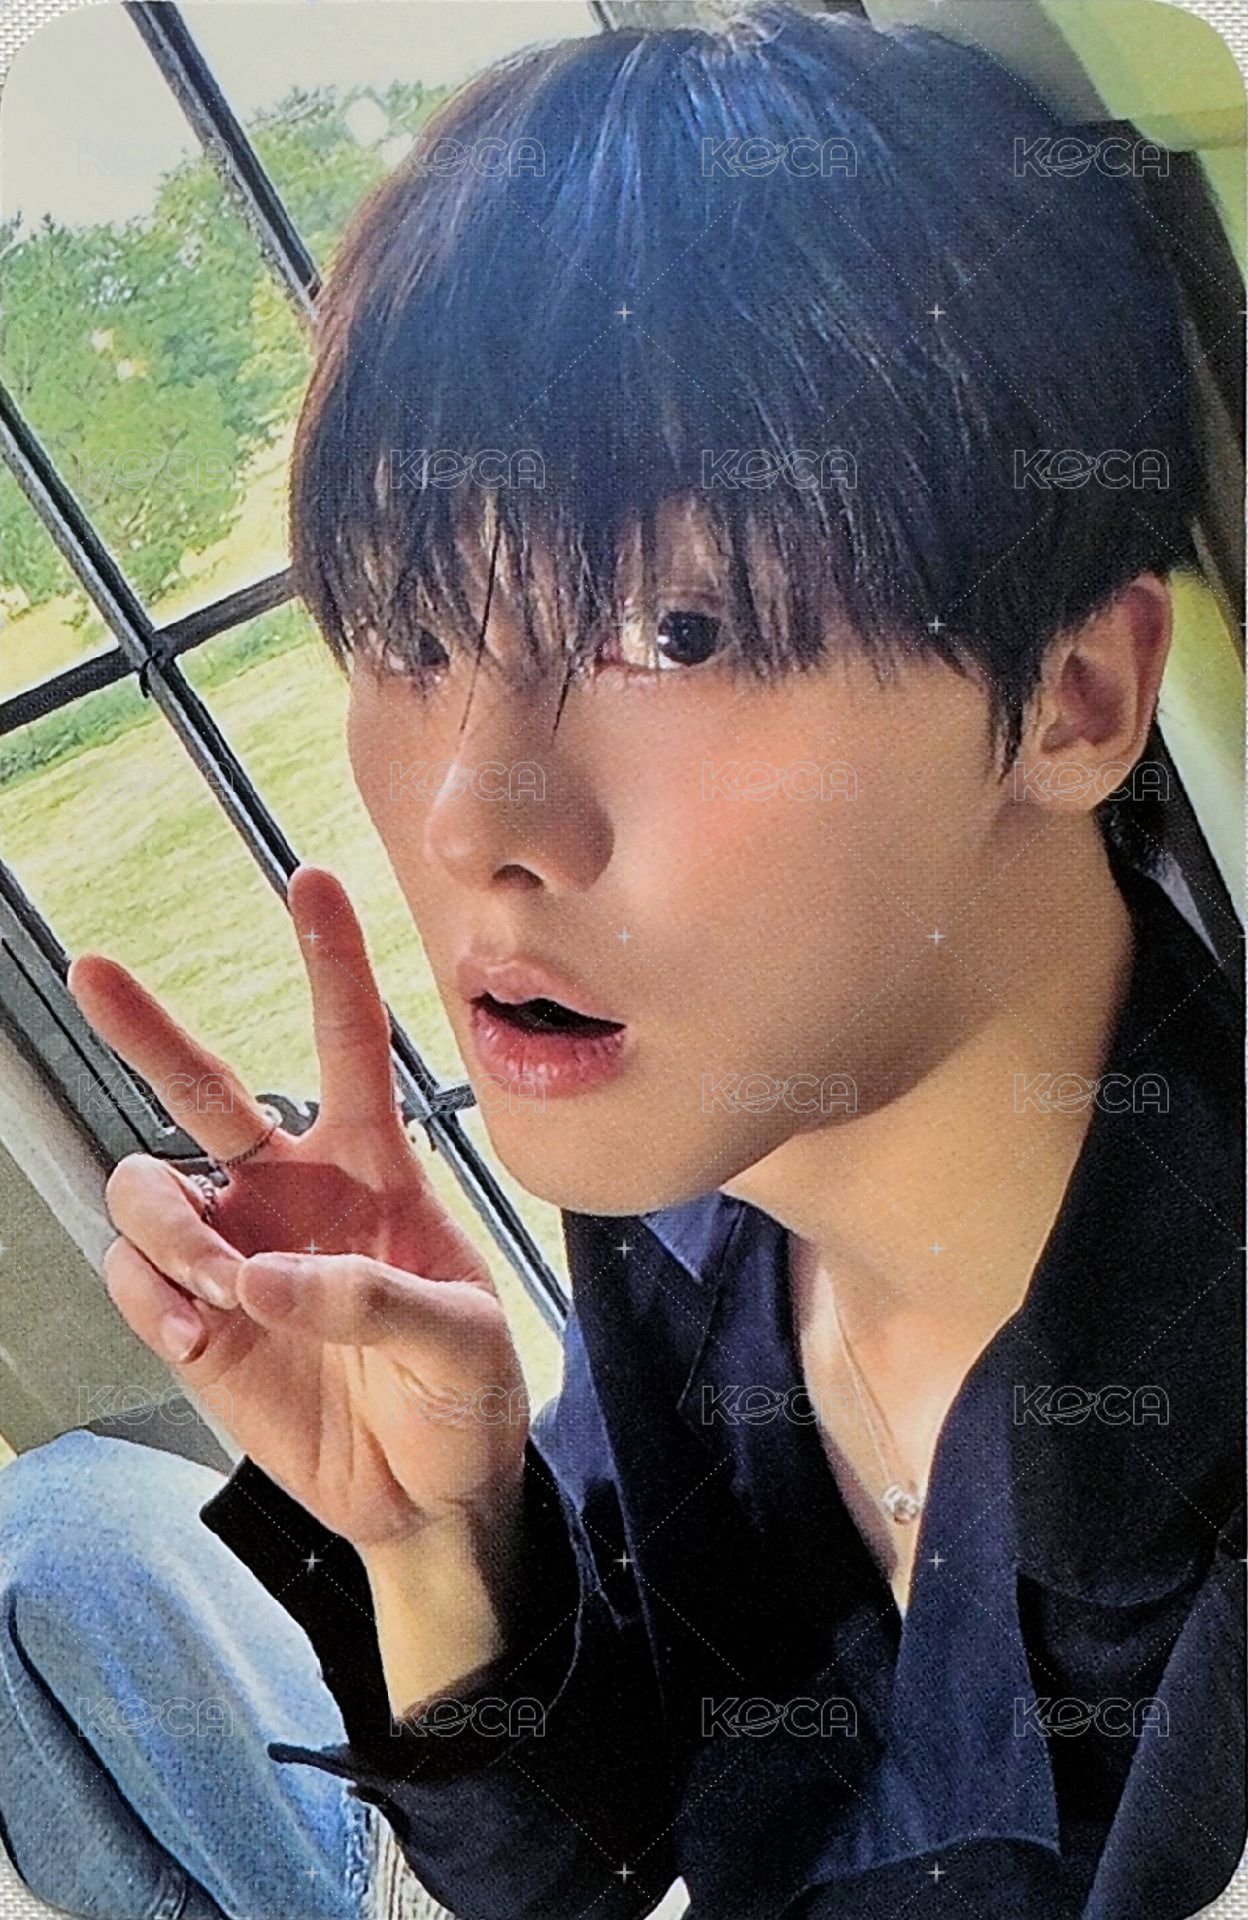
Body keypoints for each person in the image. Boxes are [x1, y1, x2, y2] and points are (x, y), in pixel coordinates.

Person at [0, 4, 1242, 1917]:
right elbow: (582, 1864)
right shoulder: (699, 1216)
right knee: (61, 1535)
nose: (474, 816)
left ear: (1075, 696)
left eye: (676, 635)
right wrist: (437, 1533)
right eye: (413, 636)